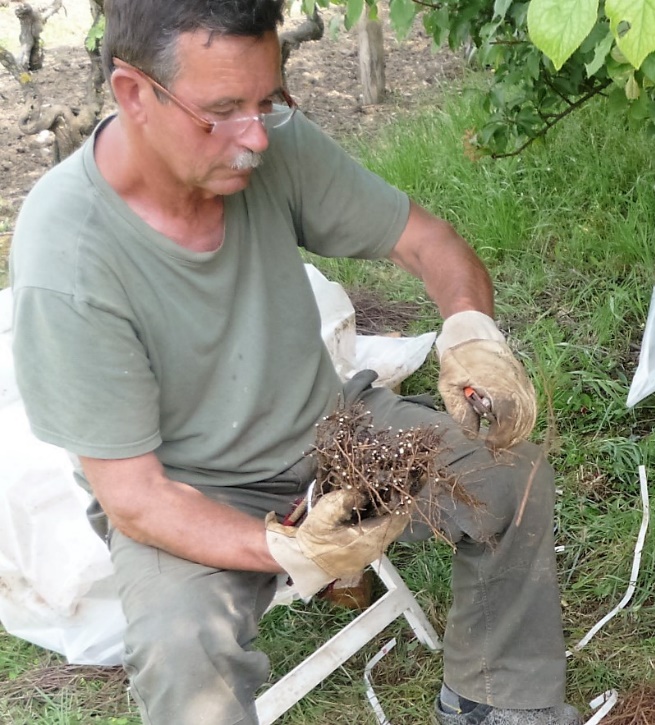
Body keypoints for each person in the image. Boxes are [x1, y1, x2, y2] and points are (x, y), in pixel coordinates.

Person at [8, 1, 580, 724]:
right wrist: (296, 549)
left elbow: (426, 242)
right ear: (133, 94)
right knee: (184, 653)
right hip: (190, 496)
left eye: (266, 100)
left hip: (328, 432)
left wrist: (471, 332)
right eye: (222, 111)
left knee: (509, 477)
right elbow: (136, 498)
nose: (254, 138)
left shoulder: (272, 144)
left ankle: (495, 701)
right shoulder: (69, 255)